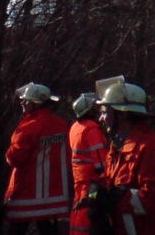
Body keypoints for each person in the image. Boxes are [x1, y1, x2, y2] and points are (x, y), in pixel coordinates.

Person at [88, 79, 155, 235]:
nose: (101, 119)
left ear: (122, 114)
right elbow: (111, 181)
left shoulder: (151, 149)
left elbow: (154, 198)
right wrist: (97, 193)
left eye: (105, 112)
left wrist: (116, 200)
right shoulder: (118, 147)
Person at [4, 82, 71, 234]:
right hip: (53, 197)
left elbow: (14, 158)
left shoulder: (28, 127)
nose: (22, 103)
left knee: (16, 230)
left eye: (25, 101)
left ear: (35, 104)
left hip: (27, 194)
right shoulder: (61, 124)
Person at [68, 92, 107, 235]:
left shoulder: (75, 128)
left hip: (79, 181)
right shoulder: (91, 129)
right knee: (89, 219)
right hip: (92, 183)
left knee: (77, 216)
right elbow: (101, 163)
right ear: (89, 110)